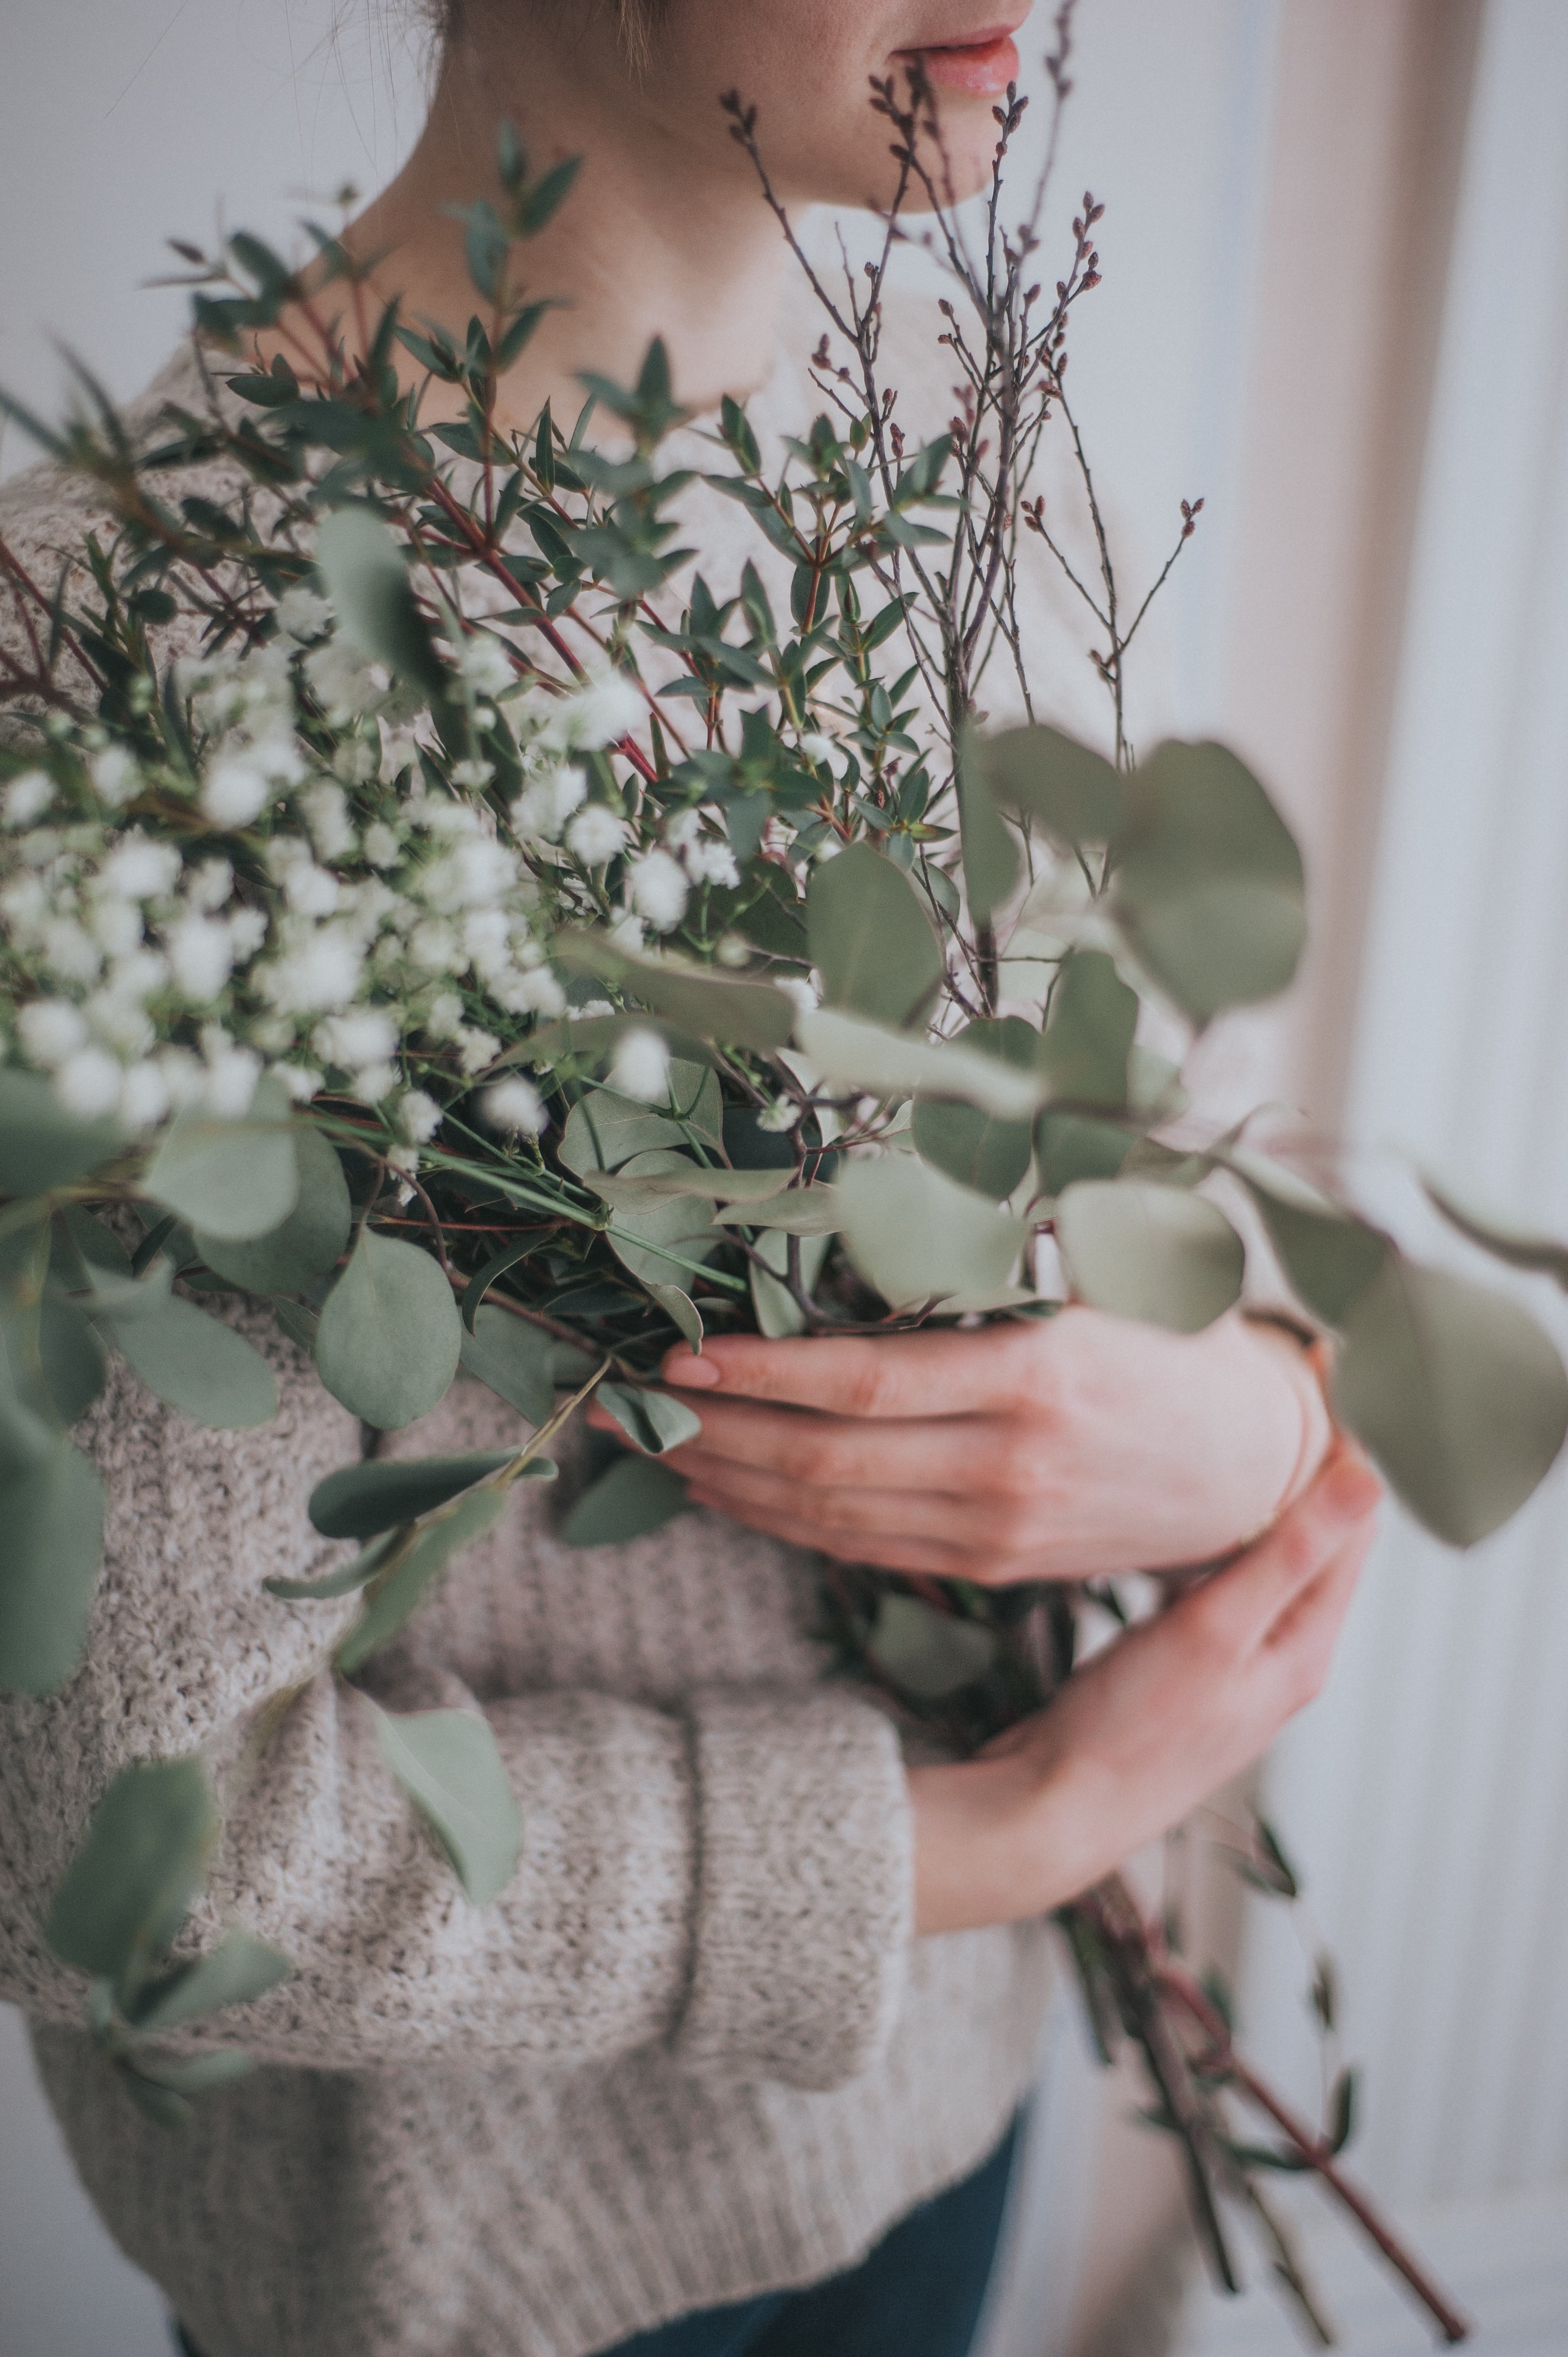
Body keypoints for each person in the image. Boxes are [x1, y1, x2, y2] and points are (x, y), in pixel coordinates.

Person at [0, 7, 1382, 2355]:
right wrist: (997, 1835)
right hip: (494, 2268)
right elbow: (130, 1838)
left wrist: (1250, 1390)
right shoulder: (149, 666)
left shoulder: (959, 415)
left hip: (953, 2099)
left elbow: (1085, 1122)